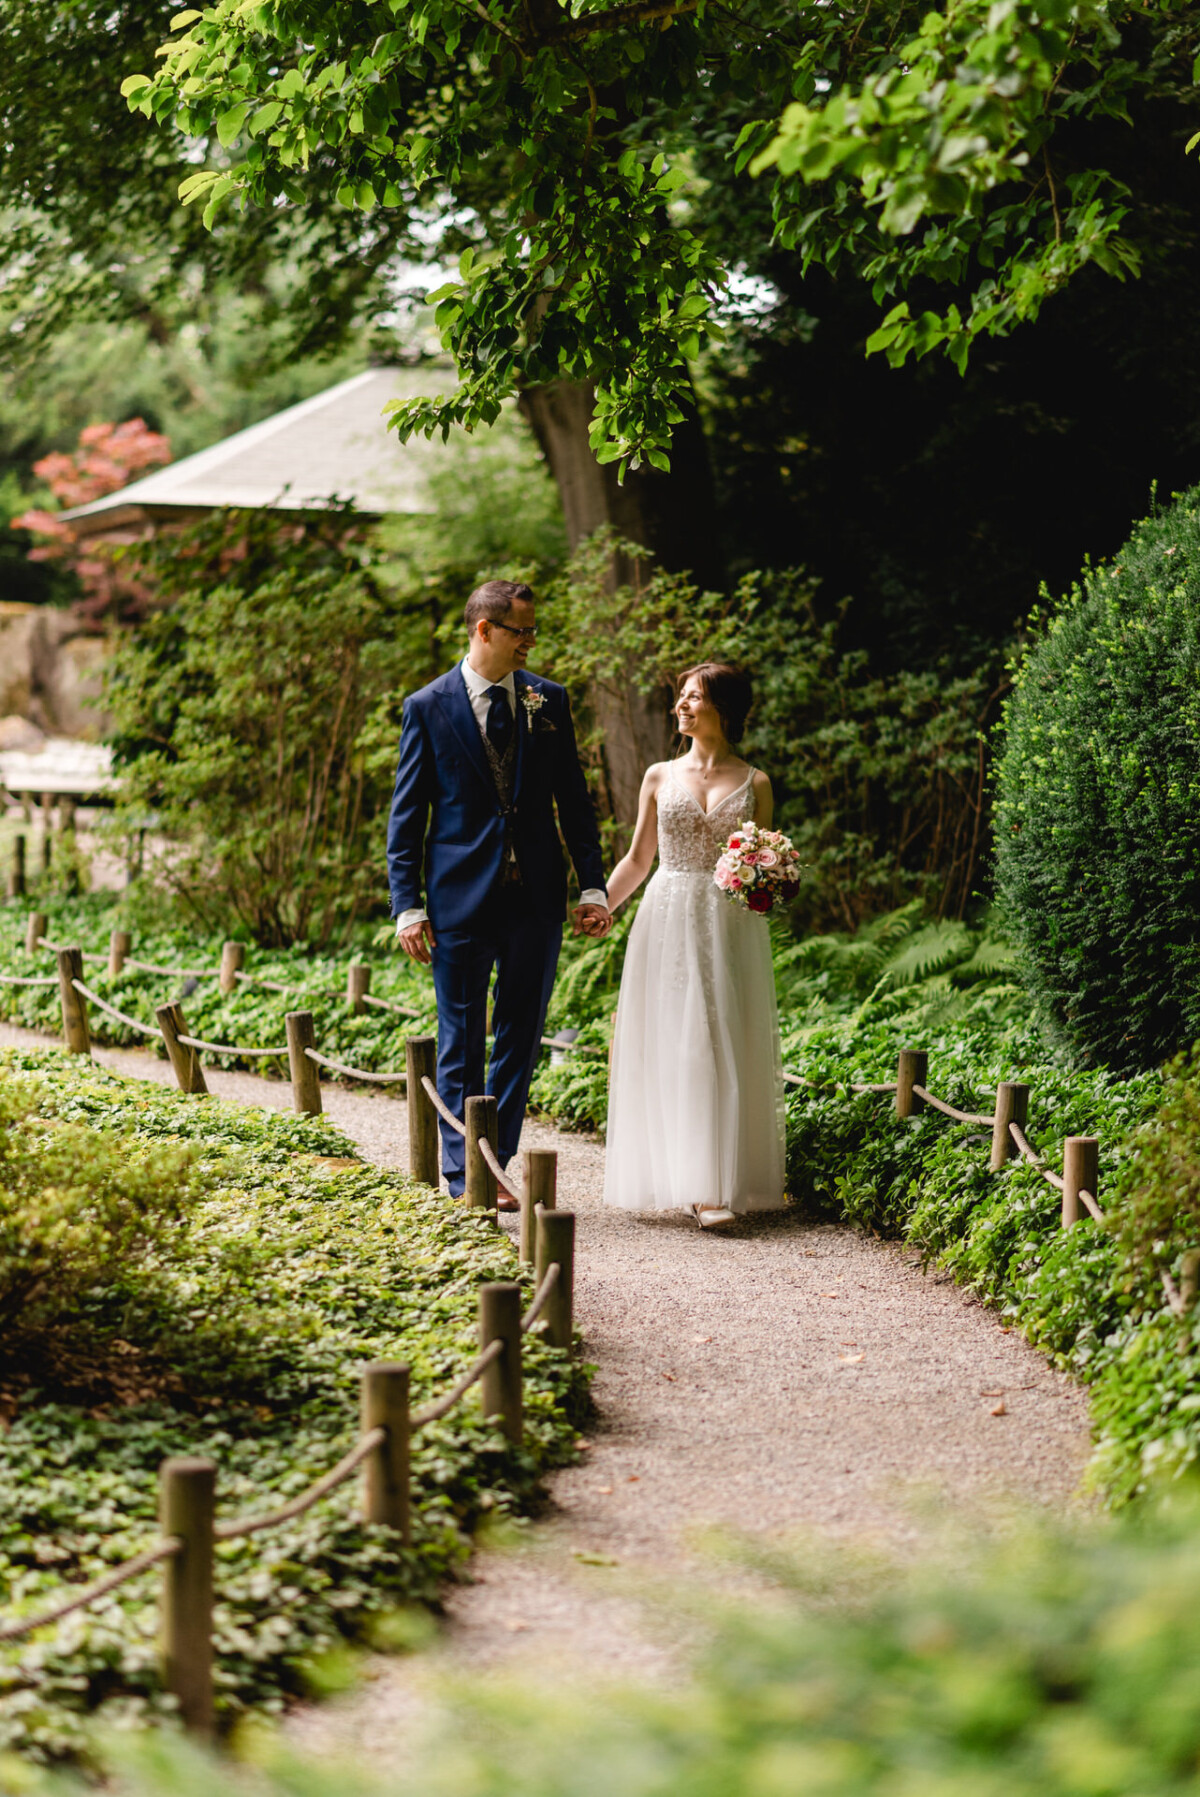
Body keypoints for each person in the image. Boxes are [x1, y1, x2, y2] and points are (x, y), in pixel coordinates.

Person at [387, 580, 611, 1206]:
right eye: (521, 632)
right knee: (460, 1036)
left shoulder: (549, 701)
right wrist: (407, 904)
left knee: (522, 1032)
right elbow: (407, 818)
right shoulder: (427, 706)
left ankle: (496, 1162)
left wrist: (592, 884)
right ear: (484, 630)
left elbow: (575, 800)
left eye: (533, 632)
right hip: (459, 900)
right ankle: (465, 1175)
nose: (531, 643)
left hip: (536, 897)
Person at [601, 663, 787, 1226]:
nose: (681, 706)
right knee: (676, 1039)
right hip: (668, 914)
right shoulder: (659, 775)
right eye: (680, 697)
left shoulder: (756, 782)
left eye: (694, 697)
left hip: (729, 922)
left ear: (722, 708)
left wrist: (771, 880)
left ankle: (716, 1182)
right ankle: (692, 1182)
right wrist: (597, 905)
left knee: (723, 1035)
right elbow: (638, 860)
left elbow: (763, 859)